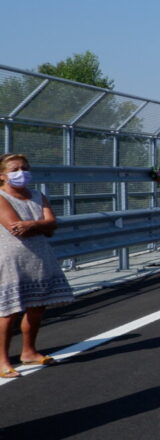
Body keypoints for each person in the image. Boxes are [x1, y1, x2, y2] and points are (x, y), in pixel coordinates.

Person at [0, 154, 73, 378]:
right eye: (15, 169)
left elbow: (52, 226)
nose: (21, 172)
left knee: (38, 306)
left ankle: (29, 351)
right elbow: (14, 227)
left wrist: (32, 224)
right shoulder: (1, 197)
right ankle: (2, 360)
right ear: (2, 175)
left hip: (40, 257)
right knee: (9, 311)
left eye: (25, 167)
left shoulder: (38, 195)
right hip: (12, 259)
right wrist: (43, 224)